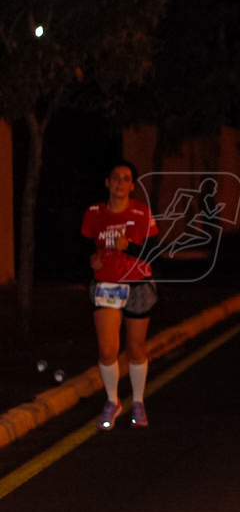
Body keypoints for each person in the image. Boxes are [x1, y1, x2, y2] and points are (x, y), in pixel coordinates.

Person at [81, 160, 159, 430]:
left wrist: (131, 247)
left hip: (137, 284)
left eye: (126, 179)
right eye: (115, 177)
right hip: (106, 284)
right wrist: (91, 260)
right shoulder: (94, 213)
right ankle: (113, 401)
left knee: (135, 349)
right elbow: (83, 246)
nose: (120, 183)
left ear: (132, 186)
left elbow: (153, 250)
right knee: (107, 350)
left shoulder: (141, 212)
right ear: (107, 182)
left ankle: (138, 402)